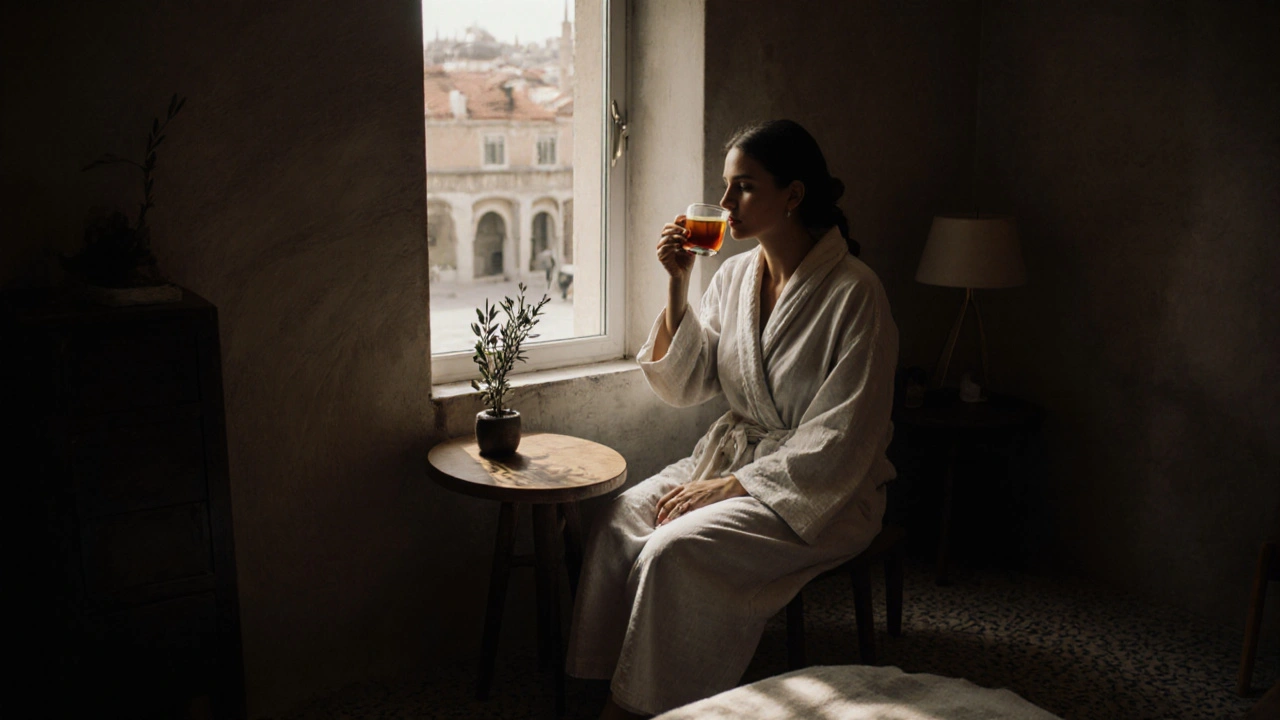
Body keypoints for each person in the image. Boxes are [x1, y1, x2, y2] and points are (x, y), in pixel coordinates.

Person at [564, 119, 900, 719]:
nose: (724, 203)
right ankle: (596, 678)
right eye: (725, 185)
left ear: (793, 194)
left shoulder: (857, 293)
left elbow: (845, 435)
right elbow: (690, 382)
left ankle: (642, 706)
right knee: (619, 519)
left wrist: (733, 486)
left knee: (674, 550)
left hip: (821, 491)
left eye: (743, 187)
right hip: (732, 458)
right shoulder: (735, 275)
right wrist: (679, 284)